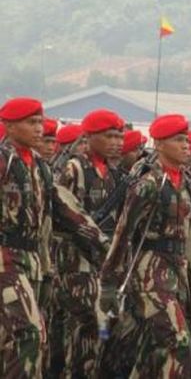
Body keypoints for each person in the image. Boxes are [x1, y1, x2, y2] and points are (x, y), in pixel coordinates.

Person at [0, 97, 108, 378]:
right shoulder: (3, 161)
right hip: (5, 259)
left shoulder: (40, 166)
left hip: (34, 261)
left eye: (40, 122)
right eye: (31, 122)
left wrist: (104, 245)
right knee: (28, 333)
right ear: (9, 126)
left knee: (27, 338)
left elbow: (68, 211)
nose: (39, 129)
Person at [100, 114, 191, 378]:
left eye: (187, 139)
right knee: (178, 342)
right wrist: (109, 282)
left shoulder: (187, 185)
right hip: (151, 272)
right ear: (158, 144)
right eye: (178, 140)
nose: (186, 145)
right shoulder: (148, 185)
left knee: (150, 350)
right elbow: (123, 233)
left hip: (179, 272)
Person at [57, 109, 124, 377]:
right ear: (89, 137)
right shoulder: (75, 168)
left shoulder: (113, 173)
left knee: (104, 329)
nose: (117, 142)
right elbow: (64, 213)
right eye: (109, 136)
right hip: (77, 261)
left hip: (101, 262)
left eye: (119, 136)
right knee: (83, 326)